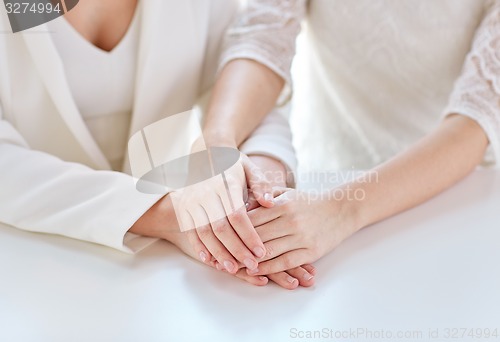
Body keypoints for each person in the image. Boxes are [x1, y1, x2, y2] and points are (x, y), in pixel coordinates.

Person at [0, 0, 315, 289]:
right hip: (29, 265)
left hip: (162, 277)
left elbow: (246, 96)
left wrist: (256, 198)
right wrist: (171, 215)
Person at [209, 0, 500, 279]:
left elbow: (473, 123)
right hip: (320, 182)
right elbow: (264, 38)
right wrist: (217, 145)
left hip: (451, 196)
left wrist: (339, 212)